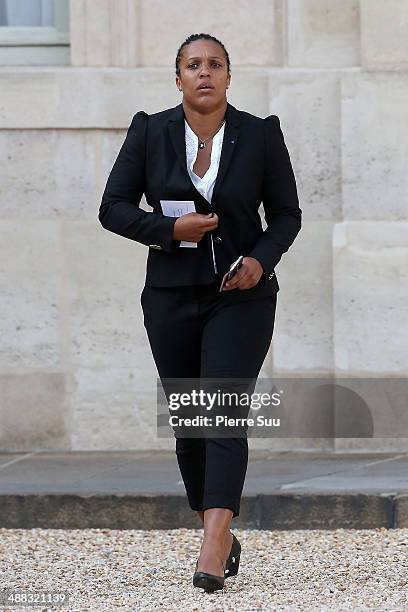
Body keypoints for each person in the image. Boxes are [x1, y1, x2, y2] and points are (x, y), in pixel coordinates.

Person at [98, 32, 302, 593]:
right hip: (169, 296)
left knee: (222, 408)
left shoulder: (260, 135)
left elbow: (286, 214)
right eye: (194, 65)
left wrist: (262, 260)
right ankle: (216, 525)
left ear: (229, 76)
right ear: (179, 77)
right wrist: (168, 230)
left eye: (215, 64)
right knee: (190, 420)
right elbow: (111, 208)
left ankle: (212, 544)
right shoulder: (150, 131)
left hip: (241, 295)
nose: (204, 73)